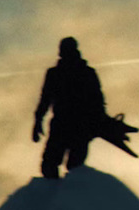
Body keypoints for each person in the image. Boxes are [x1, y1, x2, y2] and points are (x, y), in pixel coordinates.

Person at [31, 37, 105, 178]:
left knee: (72, 167)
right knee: (53, 165)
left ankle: (67, 195)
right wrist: (37, 121)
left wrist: (96, 124)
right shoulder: (57, 74)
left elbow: (97, 102)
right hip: (67, 125)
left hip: (77, 125)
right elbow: (45, 99)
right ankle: (56, 195)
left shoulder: (83, 73)